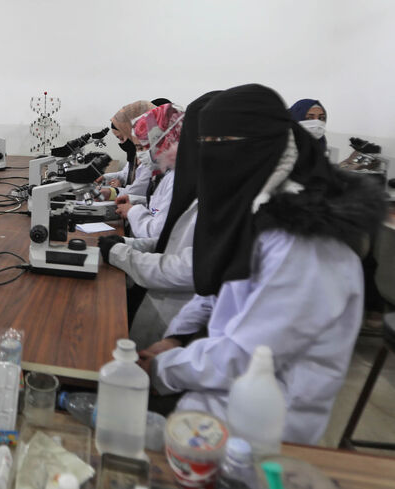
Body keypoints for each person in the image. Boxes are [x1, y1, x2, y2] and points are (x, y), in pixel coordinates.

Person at [140, 84, 387, 444]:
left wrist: (163, 369)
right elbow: (217, 289)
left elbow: (247, 355)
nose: (211, 158)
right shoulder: (260, 212)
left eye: (222, 142)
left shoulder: (307, 247)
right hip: (208, 407)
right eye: (205, 143)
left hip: (257, 437)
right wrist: (177, 337)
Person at [98, 92, 219, 348]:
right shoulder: (178, 175)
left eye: (144, 146)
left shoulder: (191, 182)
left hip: (176, 312)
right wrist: (124, 244)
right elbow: (165, 235)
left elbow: (184, 262)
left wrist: (125, 248)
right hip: (171, 304)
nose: (141, 153)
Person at [115, 103, 184, 239]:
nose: (139, 154)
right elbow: (158, 205)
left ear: (162, 143)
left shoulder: (175, 178)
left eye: (142, 148)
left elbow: (156, 232)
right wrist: (135, 200)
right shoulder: (167, 173)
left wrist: (132, 211)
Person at [99, 101, 155, 202]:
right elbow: (126, 174)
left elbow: (138, 191)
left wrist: (113, 192)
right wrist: (104, 178)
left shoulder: (152, 158)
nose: (121, 143)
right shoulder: (137, 155)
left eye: (121, 138)